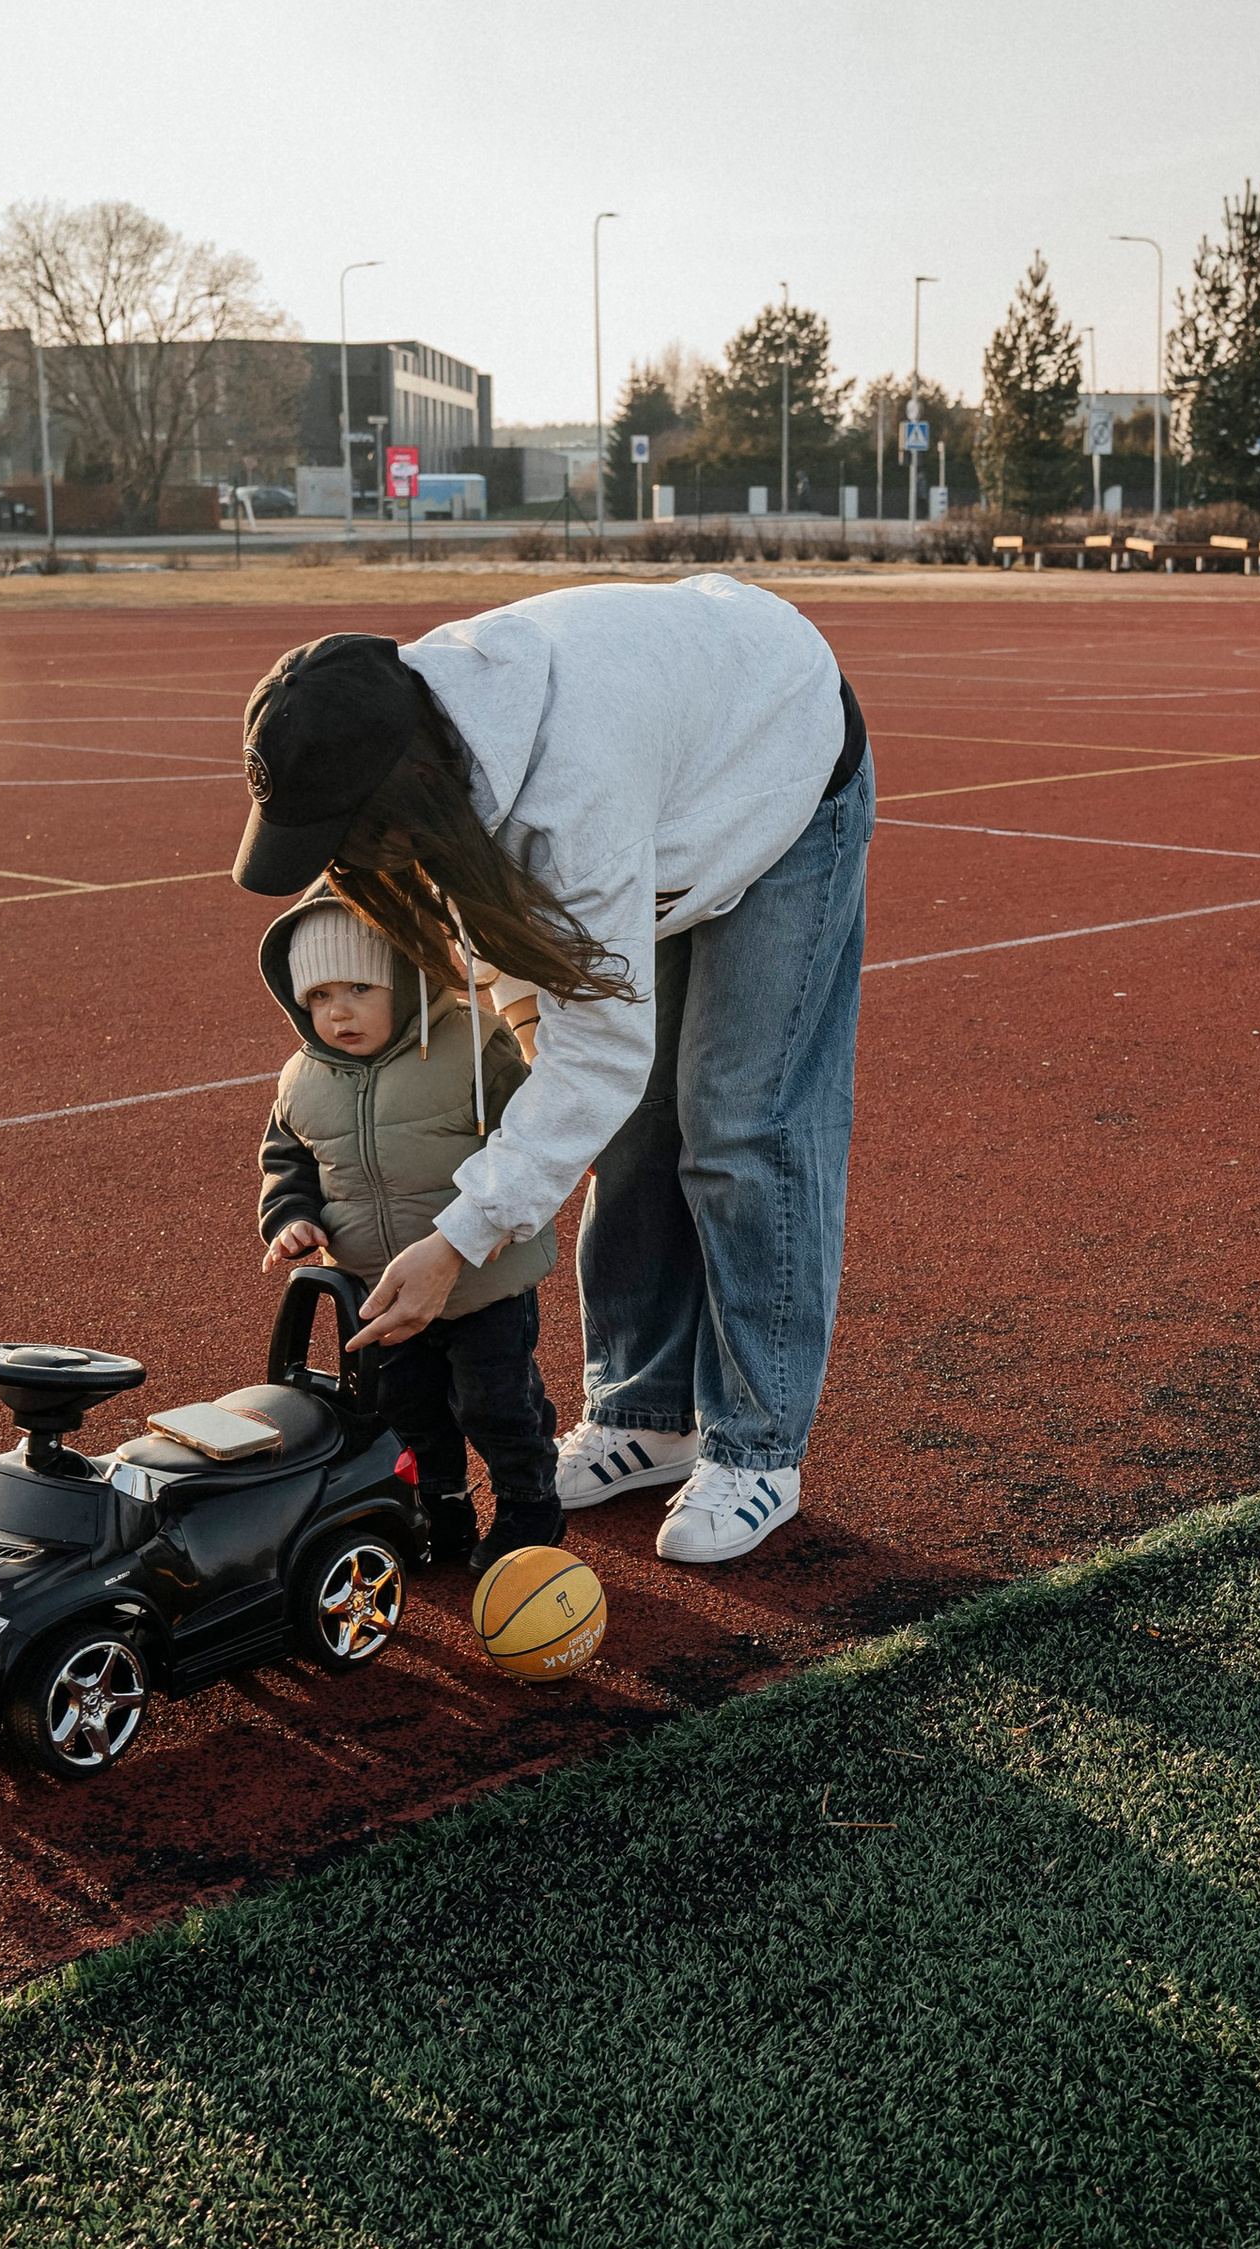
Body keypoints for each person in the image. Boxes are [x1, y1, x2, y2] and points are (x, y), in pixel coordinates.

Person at [231, 571, 872, 1568]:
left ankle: (758, 1448)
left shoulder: (567, 802)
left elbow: (596, 1053)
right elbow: (538, 1009)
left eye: (349, 835)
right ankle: (650, 1414)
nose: (351, 861)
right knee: (630, 1129)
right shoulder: (432, 737)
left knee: (740, 1124)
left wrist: (459, 1237)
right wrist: (525, 1136)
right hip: (669, 770)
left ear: (406, 794)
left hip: (778, 754)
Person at [255, 890, 561, 1569]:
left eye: (359, 988)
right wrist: (294, 1219)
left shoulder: (475, 1046)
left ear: (408, 976)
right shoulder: (303, 1080)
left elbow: (532, 1140)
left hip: (485, 1279)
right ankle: (439, 1507)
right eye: (318, 996)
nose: (338, 1011)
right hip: (379, 1293)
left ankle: (528, 1501)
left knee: (495, 1404)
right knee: (405, 1411)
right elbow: (289, 1161)